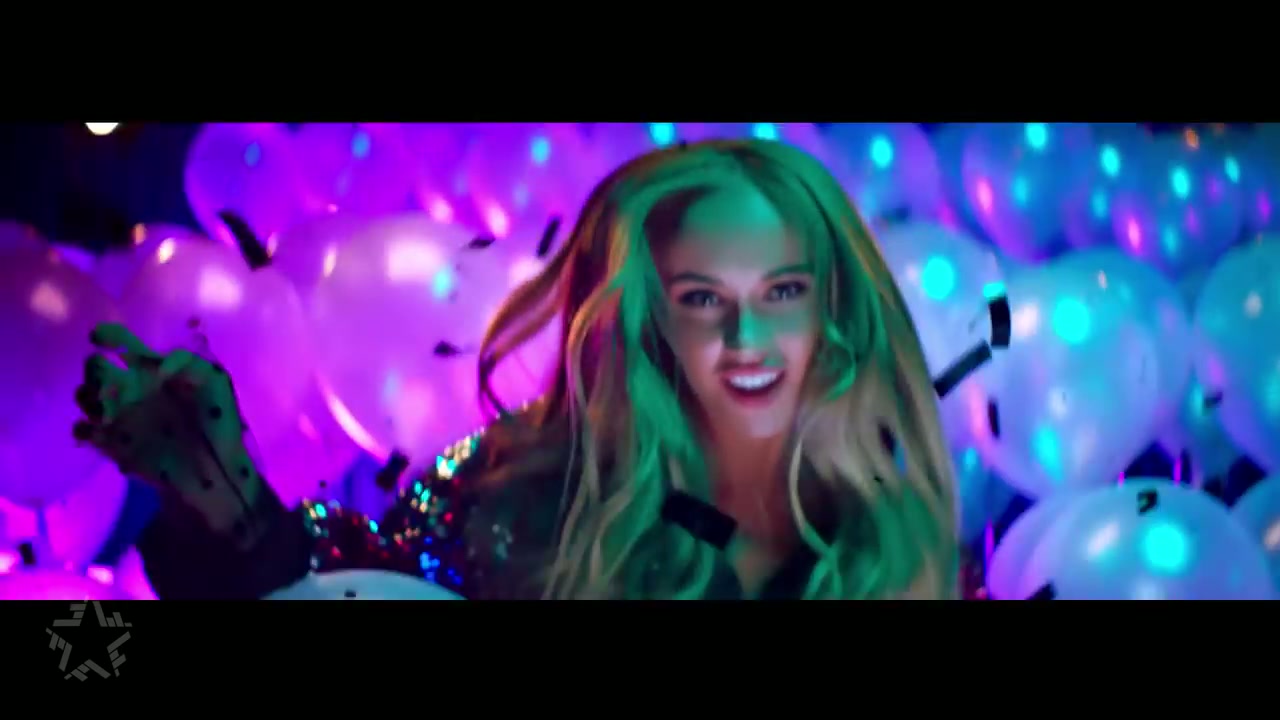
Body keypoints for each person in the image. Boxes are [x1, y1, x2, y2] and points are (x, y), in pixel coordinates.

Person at [74, 138, 959, 600]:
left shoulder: (884, 531)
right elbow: (345, 587)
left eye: (782, 291)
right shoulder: (524, 494)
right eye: (701, 298)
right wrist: (223, 499)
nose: (747, 335)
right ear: (640, 319)